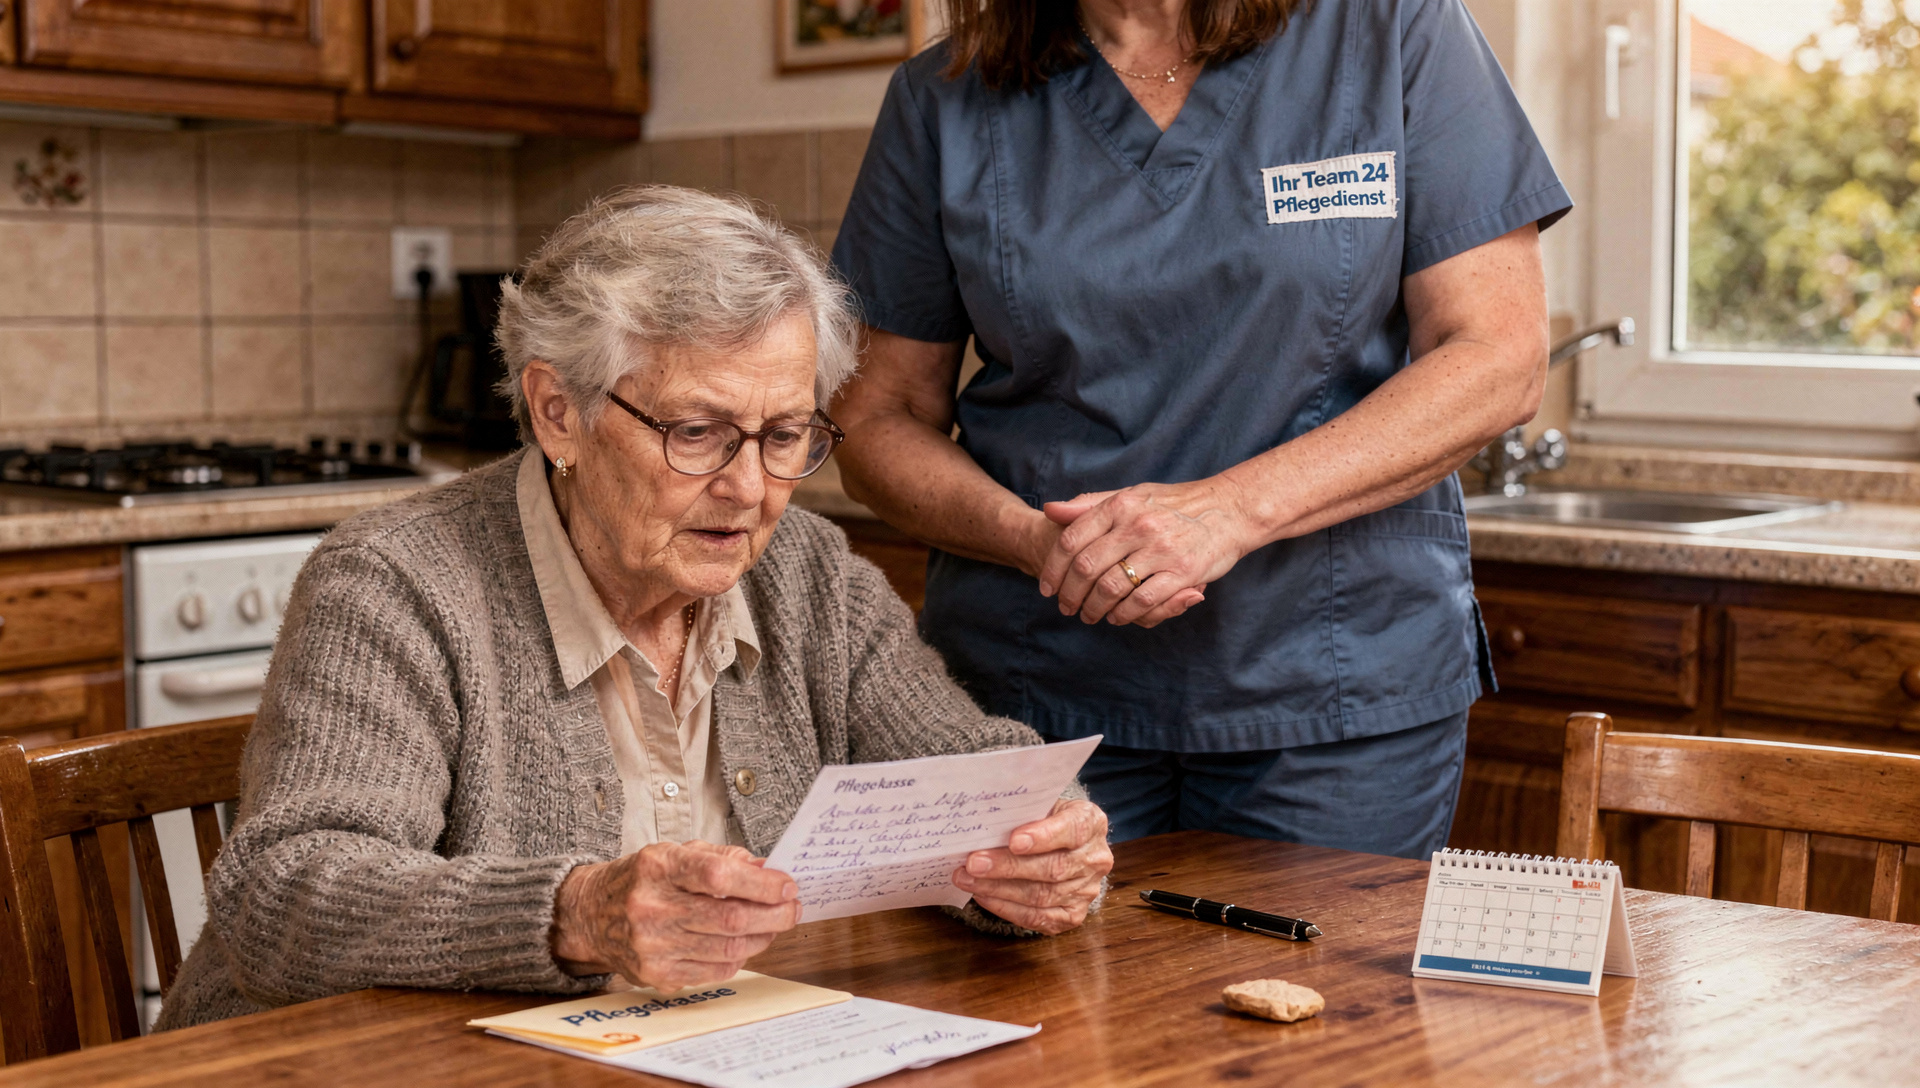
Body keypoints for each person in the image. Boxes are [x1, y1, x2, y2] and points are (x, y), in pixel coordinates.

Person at [156, 187, 1112, 1030]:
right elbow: (282, 893)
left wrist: (1041, 847)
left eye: (784, 434)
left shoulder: (808, 572)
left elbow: (969, 768)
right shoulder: (394, 582)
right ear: (558, 412)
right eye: (696, 431)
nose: (750, 489)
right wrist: (575, 913)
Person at [829, 0, 1570, 853]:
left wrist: (1228, 512)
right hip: (1035, 694)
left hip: (1334, 688)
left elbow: (1497, 358)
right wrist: (1041, 545)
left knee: (1318, 951)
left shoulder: (1393, 30)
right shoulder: (945, 95)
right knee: (1043, 946)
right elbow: (876, 417)